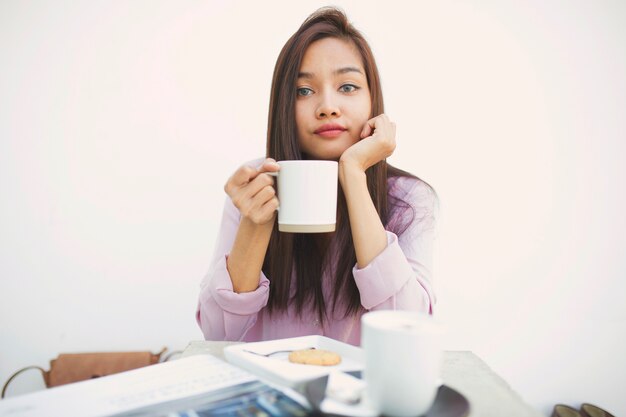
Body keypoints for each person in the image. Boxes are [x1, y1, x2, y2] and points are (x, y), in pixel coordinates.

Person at [196, 7, 437, 346]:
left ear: (373, 100)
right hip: (273, 393)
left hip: (358, 395)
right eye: (304, 91)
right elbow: (217, 335)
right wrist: (256, 223)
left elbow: (406, 330)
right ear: (284, 106)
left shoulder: (409, 199)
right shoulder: (254, 187)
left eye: (348, 86)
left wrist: (353, 174)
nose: (327, 106)